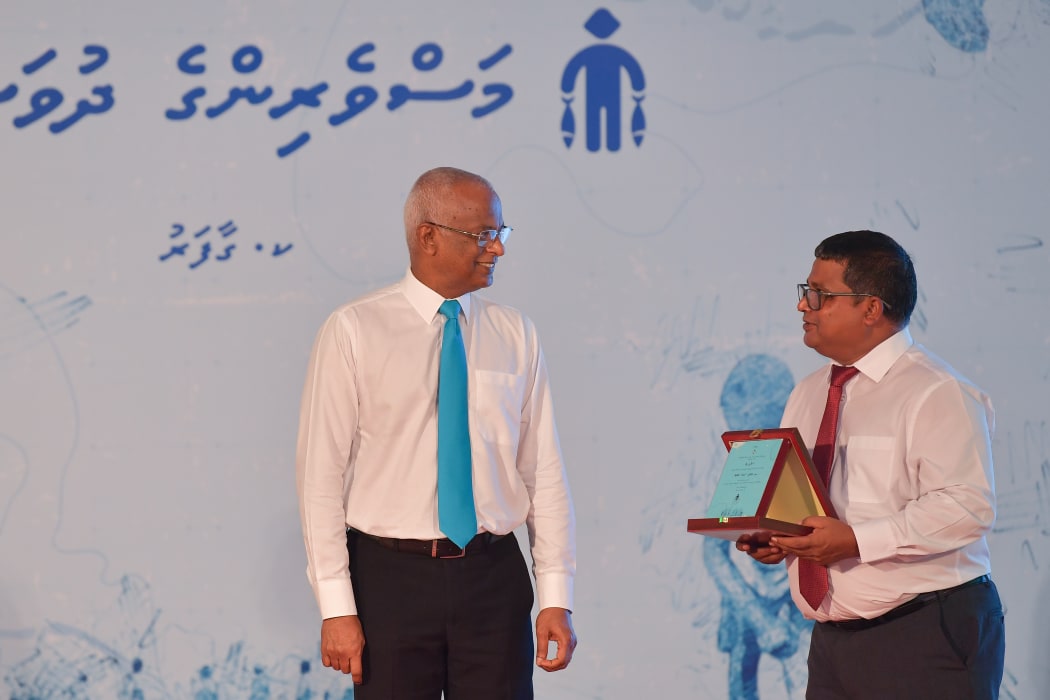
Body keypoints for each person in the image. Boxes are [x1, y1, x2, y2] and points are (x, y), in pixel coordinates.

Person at [295, 166, 577, 699]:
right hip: (389, 582)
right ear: (428, 237)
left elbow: (543, 471)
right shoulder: (354, 330)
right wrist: (336, 608)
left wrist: (556, 595)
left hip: (494, 578)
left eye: (501, 232)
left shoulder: (516, 333)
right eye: (484, 234)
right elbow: (320, 480)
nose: (498, 249)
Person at [737, 230, 1004, 699]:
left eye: (819, 295)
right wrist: (781, 537)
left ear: (871, 309)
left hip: (924, 633)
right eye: (806, 292)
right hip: (832, 643)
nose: (803, 306)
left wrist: (856, 541)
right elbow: (816, 504)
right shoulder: (808, 392)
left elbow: (968, 507)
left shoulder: (936, 391)